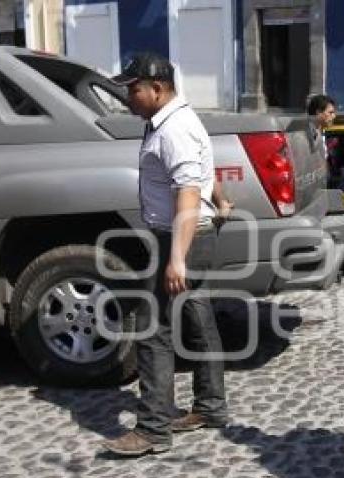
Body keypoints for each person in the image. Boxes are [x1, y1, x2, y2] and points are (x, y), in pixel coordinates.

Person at [103, 52, 228, 456]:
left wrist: (176, 257)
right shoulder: (181, 120)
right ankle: (211, 406)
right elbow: (200, 173)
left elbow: (188, 193)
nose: (127, 97)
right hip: (196, 235)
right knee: (198, 317)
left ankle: (153, 429)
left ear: (157, 89)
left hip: (180, 238)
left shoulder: (173, 129)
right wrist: (222, 202)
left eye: (133, 89)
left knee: (151, 329)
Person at [306, 94, 336, 159]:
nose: (334, 116)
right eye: (330, 112)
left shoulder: (319, 131)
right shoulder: (306, 135)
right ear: (318, 112)